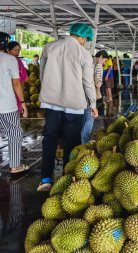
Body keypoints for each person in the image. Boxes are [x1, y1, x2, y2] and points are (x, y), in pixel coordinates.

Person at [38, 23, 98, 191]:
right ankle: (66, 178)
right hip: (74, 105)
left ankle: (45, 179)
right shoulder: (84, 54)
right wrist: (92, 104)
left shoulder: (49, 47)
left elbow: (42, 74)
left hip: (51, 103)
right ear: (84, 37)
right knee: (71, 142)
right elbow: (88, 82)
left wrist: (49, 91)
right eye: (86, 39)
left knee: (49, 139)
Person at [0, 32, 29, 174]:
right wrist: (23, 103)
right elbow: (16, 83)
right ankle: (15, 165)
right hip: (7, 105)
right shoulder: (9, 59)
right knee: (14, 133)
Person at [81, 50, 108, 144]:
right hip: (89, 94)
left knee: (84, 117)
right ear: (101, 57)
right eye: (104, 60)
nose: (104, 63)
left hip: (81, 94)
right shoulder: (98, 65)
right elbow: (98, 84)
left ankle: (82, 139)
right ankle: (85, 141)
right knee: (90, 118)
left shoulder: (87, 62)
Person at [7, 41, 28, 113]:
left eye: (18, 50)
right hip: (6, 96)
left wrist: (21, 99)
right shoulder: (4, 61)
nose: (17, 52)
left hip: (17, 96)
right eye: (15, 50)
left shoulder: (19, 62)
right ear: (8, 50)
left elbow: (22, 82)